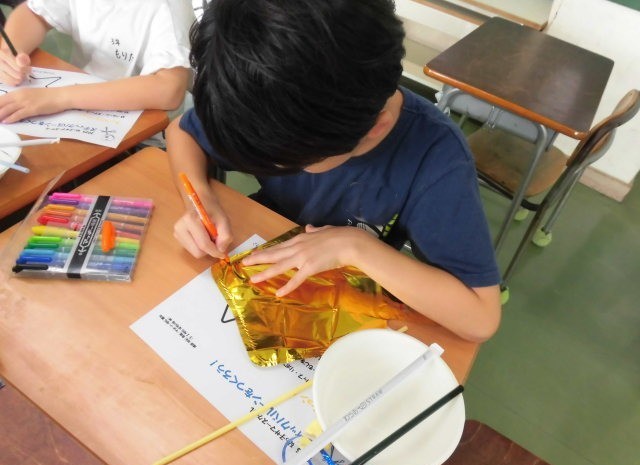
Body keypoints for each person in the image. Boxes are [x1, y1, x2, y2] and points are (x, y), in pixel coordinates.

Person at [167, 0, 502, 342]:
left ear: (376, 128)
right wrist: (200, 199)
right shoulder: (263, 99)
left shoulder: (437, 161)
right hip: (265, 246)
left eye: (292, 164)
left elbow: (481, 317)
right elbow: (181, 132)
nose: (277, 169)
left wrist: (354, 247)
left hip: (350, 296)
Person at [0, 0, 194, 123]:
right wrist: (10, 53)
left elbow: (168, 89)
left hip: (143, 132)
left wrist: (59, 98)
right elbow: (34, 12)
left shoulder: (168, 7)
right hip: (77, 107)